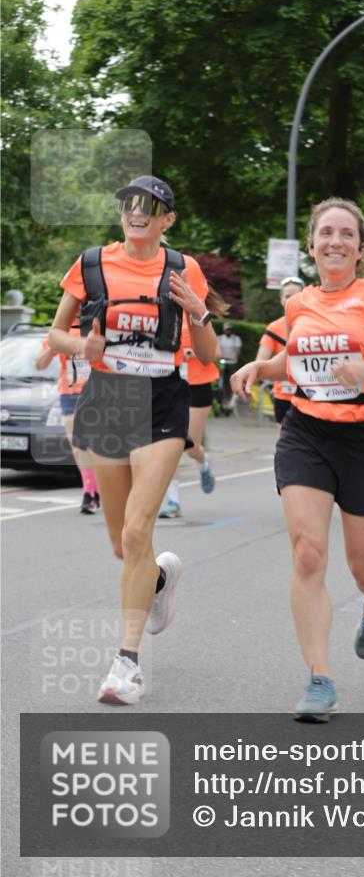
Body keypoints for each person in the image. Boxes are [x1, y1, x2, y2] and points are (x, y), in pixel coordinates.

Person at [231, 198, 364, 722]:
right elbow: (294, 362)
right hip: (307, 435)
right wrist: (261, 367)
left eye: (347, 234)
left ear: (362, 248)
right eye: (327, 232)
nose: (336, 241)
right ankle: (320, 680)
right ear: (311, 244)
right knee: (307, 554)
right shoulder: (299, 303)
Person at [48, 175, 217, 705]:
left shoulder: (183, 268)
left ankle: (126, 665)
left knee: (142, 527)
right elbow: (55, 333)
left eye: (149, 206)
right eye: (128, 204)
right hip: (108, 400)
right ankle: (159, 582)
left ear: (167, 218)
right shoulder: (93, 263)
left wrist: (198, 310)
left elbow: (208, 356)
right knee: (124, 544)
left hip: (163, 402)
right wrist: (83, 343)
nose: (136, 211)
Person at [160, 289, 230, 517]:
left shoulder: (200, 318)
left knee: (190, 447)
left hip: (199, 388)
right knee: (172, 444)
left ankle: (203, 463)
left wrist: (193, 352)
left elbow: (216, 352)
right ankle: (172, 501)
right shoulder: (167, 317)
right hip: (172, 387)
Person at [35, 322, 99, 514]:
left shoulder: (97, 326)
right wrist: (52, 347)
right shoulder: (62, 331)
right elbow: (39, 364)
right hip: (69, 393)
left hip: (97, 391)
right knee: (78, 446)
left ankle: (100, 488)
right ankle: (90, 493)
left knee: (96, 445)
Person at [255, 276, 304, 427]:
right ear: (281, 300)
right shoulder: (274, 328)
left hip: (311, 395)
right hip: (284, 394)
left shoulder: (316, 324)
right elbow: (260, 362)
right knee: (286, 442)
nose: (292, 299)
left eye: (296, 295)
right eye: (287, 296)